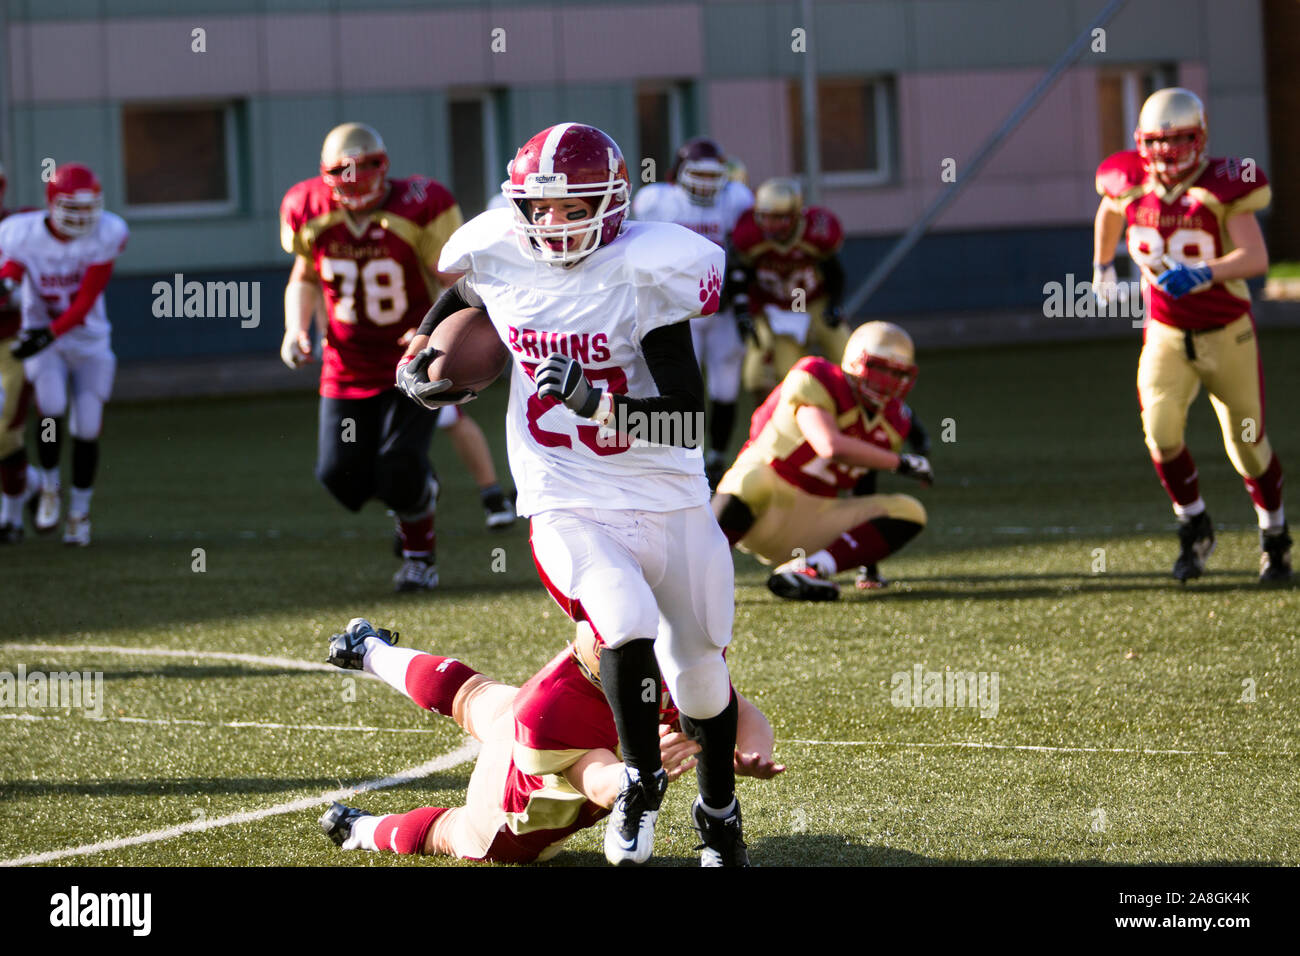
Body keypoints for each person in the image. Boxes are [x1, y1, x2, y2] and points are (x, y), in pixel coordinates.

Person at [395, 122, 749, 866]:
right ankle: (642, 785)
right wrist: (422, 351)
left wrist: (599, 404)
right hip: (567, 493)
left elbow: (690, 419)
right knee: (620, 619)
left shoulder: (644, 274)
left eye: (573, 207)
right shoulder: (500, 253)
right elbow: (465, 289)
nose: (553, 224)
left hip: (667, 494)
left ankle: (718, 814)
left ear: (612, 204)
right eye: (541, 209)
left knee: (702, 676)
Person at [318, 617, 783, 864]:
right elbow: (599, 783)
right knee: (455, 835)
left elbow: (739, 711)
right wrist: (641, 771)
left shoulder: (645, 664)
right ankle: (358, 829)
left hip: (523, 720)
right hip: (513, 809)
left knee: (472, 694)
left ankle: (369, 649)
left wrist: (749, 752)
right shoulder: (559, 706)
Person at [279, 122, 515, 592]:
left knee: (399, 466)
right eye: (346, 176)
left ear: (383, 168)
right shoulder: (307, 208)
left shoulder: (421, 205)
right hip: (346, 362)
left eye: (366, 173)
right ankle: (418, 496)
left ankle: (418, 557)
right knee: (339, 476)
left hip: (413, 356)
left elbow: (454, 285)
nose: (357, 186)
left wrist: (432, 330)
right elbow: (304, 274)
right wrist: (294, 328)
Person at [1093, 87, 1290, 583]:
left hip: (1228, 333)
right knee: (1160, 433)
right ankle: (1195, 524)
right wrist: (1101, 267)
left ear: (1200, 138)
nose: (1168, 152)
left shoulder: (1223, 185)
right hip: (1165, 331)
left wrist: (1204, 272)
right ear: (1141, 142)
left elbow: (1257, 258)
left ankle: (1274, 535)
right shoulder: (1128, 182)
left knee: (1246, 442)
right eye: (1159, 142)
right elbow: (1110, 210)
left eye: (1180, 140)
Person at [712, 322, 932, 601]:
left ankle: (810, 568)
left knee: (909, 510)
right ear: (854, 362)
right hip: (764, 507)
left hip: (814, 518)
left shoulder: (893, 422)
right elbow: (829, 445)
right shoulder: (815, 377)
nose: (887, 381)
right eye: (879, 370)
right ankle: (695, 570)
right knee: (752, 479)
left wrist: (869, 567)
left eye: (896, 373)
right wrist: (900, 463)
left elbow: (863, 483)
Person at [0, 163, 127, 546]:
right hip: (45, 339)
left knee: (87, 427)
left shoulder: (107, 233)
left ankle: (80, 513)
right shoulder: (22, 234)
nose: (82, 217)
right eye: (73, 208)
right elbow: (13, 268)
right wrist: (7, 285)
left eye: (89, 209)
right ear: (52, 203)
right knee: (51, 407)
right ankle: (50, 487)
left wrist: (45, 335)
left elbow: (86, 300)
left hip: (86, 340)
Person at [632, 138, 755, 488]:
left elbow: (743, 255)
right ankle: (682, 457)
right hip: (676, 312)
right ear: (678, 174)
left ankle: (716, 456)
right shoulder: (657, 201)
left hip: (721, 308)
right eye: (696, 173)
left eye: (711, 175)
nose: (704, 182)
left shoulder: (736, 200)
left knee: (726, 385)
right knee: (680, 387)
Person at [730, 178, 850, 407]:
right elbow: (739, 275)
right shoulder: (749, 235)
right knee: (783, 375)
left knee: (847, 353)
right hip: (774, 307)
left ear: (796, 215)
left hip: (814, 301)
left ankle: (851, 409)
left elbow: (835, 273)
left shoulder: (818, 232)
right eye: (764, 216)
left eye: (778, 217)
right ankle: (776, 422)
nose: (769, 224)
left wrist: (835, 303)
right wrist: (743, 312)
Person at [0, 160, 39, 543]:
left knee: (4, 432)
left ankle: (9, 519)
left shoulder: (18, 231)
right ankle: (32, 484)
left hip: (12, 341)